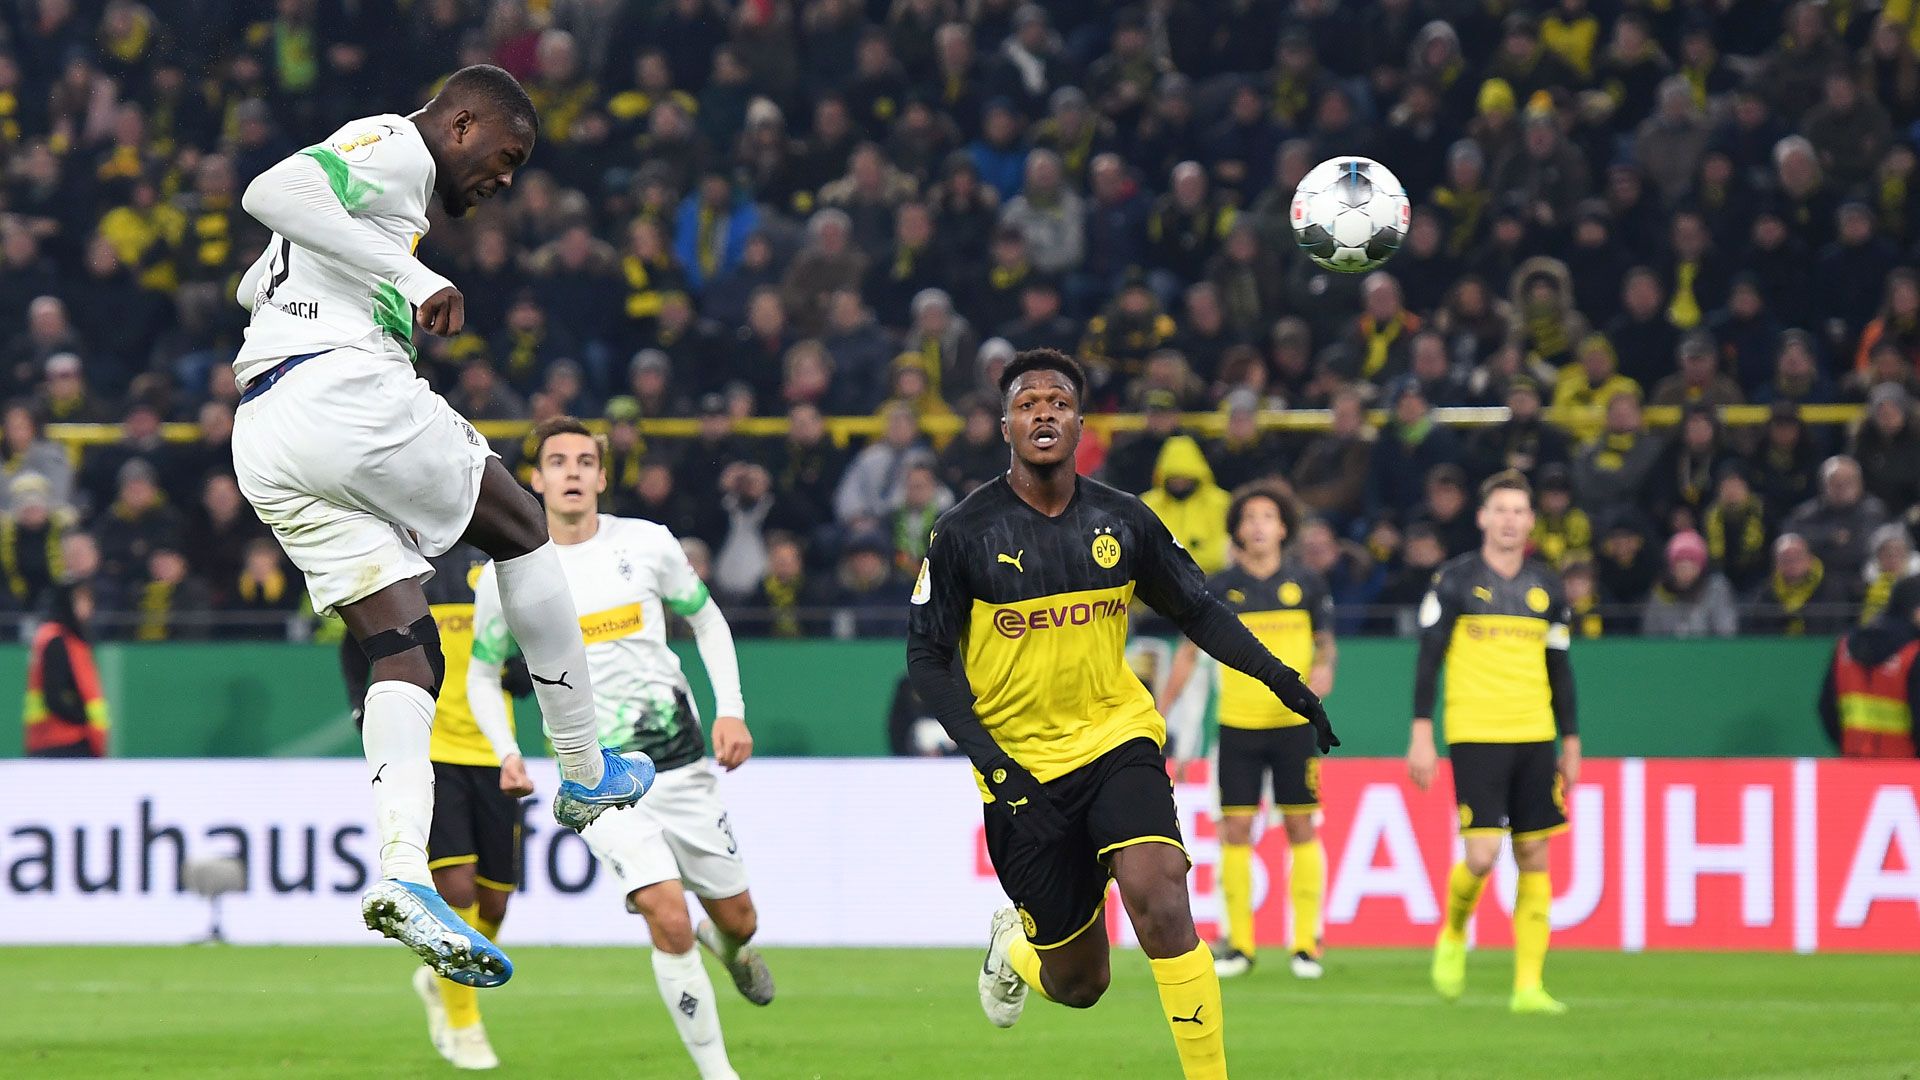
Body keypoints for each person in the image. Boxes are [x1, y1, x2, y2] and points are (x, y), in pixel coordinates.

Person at [227, 64, 647, 985]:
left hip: (264, 430)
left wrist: (314, 277)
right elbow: (269, 189)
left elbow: (261, 270)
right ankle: (581, 765)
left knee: (406, 654)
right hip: (339, 393)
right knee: (525, 527)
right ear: (459, 122)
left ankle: (404, 875)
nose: (507, 178)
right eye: (506, 154)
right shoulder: (392, 145)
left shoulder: (379, 181)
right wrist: (407, 271)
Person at [905, 349, 1336, 1080]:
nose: (1044, 411)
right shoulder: (962, 535)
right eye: (1028, 402)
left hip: (1117, 739)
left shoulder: (1124, 520)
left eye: (1059, 401)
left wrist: (1285, 682)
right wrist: (994, 764)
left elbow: (1199, 611)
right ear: (1006, 425)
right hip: (1023, 773)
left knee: (1160, 891)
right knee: (1080, 985)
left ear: (1080, 423)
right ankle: (1009, 948)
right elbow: (927, 661)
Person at [469, 418, 770, 1080]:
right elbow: (480, 669)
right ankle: (720, 1074)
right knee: (667, 914)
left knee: (740, 919)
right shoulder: (505, 575)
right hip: (597, 781)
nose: (572, 471)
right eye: (557, 461)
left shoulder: (648, 544)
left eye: (584, 461)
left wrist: (733, 711)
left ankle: (733, 944)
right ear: (537, 479)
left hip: (682, 763)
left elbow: (707, 618)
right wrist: (505, 750)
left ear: (603, 477)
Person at [340, 543, 534, 1070]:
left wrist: (522, 673)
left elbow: (522, 651)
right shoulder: (402, 562)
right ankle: (465, 1022)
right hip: (431, 752)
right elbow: (353, 638)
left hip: (495, 750)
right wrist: (365, 706)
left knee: (494, 901)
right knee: (457, 886)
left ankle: (437, 979)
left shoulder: (494, 566)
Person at [1408, 470, 1579, 1016]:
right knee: (1481, 856)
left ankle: (1529, 986)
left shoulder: (1548, 588)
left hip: (1535, 734)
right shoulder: (1455, 581)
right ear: (1482, 518)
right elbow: (1428, 660)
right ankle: (1455, 930)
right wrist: (1420, 732)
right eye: (1499, 509)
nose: (1509, 520)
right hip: (1476, 731)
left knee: (1534, 853)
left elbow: (1562, 671)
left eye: (1519, 512)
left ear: (1531, 522)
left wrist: (1570, 741)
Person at [1158, 485, 1336, 981]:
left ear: (1283, 528)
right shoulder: (1218, 588)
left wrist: (1324, 670)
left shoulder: (1308, 584)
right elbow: (1190, 653)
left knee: (1301, 827)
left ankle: (1306, 944)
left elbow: (1326, 646)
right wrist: (1161, 709)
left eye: (1268, 517)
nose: (1258, 526)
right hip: (1236, 727)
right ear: (1237, 529)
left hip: (1292, 728)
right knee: (1234, 829)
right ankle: (1239, 944)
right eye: (1250, 518)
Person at [1818, 575, 1920, 758]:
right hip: (1906, 769)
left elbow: (1826, 708)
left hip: (1854, 763)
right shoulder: (1913, 653)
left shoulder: (1844, 646)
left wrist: (1849, 745)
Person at [23, 582, 108, 757]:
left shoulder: (65, 638)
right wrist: (83, 719)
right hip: (63, 741)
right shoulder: (58, 640)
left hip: (60, 739)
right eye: (81, 600)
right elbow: (54, 695)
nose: (88, 607)